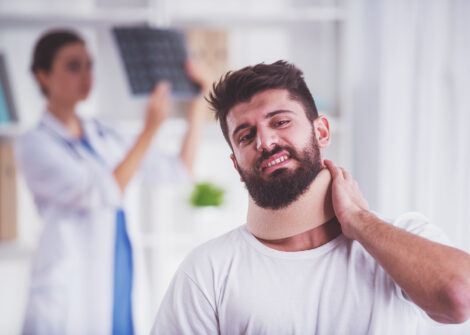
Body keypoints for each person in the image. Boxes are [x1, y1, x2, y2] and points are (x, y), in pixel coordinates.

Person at [151, 60, 470, 334]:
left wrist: (358, 221)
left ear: (321, 133)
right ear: (236, 164)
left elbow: (460, 298)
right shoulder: (209, 269)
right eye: (246, 136)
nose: (265, 141)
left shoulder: (402, 234)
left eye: (280, 121)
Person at [15, 29, 208, 335]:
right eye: (73, 65)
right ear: (43, 75)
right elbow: (101, 192)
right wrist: (148, 130)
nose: (86, 74)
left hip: (119, 272)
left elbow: (178, 170)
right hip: (69, 290)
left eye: (89, 64)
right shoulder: (33, 144)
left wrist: (197, 107)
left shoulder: (106, 130)